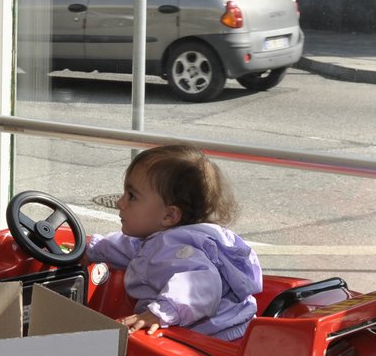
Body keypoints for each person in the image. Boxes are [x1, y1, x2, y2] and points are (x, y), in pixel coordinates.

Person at [90, 143, 264, 340]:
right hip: (213, 336)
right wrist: (90, 250)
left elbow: (201, 283)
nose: (120, 203)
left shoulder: (175, 248)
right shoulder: (155, 239)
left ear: (169, 215)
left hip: (217, 340)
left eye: (131, 196)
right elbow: (124, 248)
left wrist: (159, 313)